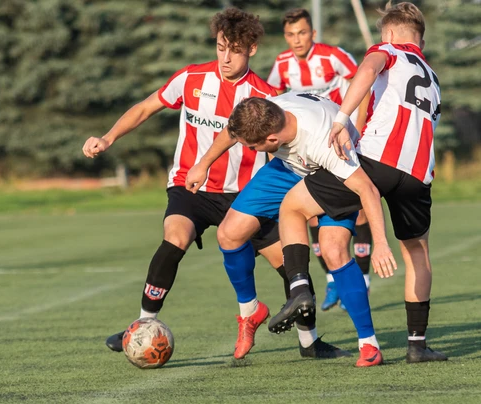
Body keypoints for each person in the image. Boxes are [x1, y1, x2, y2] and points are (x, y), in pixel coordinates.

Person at [82, 8, 284, 359]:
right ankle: (143, 323)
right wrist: (108, 137)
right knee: (175, 238)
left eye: (234, 50)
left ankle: (311, 340)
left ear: (251, 49)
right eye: (221, 47)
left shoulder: (265, 95)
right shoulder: (191, 79)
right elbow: (145, 108)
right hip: (189, 188)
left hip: (243, 194)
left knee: (287, 261)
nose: (225, 57)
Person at [272, 1, 448, 364]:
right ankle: (417, 344)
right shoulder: (432, 76)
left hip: (376, 160)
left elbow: (367, 70)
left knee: (293, 206)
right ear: (420, 39)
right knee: (417, 253)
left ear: (389, 33)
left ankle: (301, 288)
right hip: (418, 175)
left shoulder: (386, 49)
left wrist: (341, 119)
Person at [189, 92, 394, 367]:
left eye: (253, 147)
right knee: (229, 233)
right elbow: (233, 130)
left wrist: (380, 242)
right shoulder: (267, 110)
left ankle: (368, 344)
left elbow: (367, 189)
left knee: (333, 251)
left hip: (334, 177)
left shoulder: (327, 143)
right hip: (289, 168)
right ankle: (251, 311)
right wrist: (203, 164)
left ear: (272, 140)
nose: (250, 150)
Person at [267, 8, 373, 311]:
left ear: (312, 33)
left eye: (302, 33)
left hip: (341, 140)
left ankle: (362, 280)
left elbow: (362, 88)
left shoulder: (332, 56)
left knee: (361, 209)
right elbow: (273, 101)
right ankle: (330, 281)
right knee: (311, 213)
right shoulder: (282, 64)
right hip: (309, 146)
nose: (296, 39)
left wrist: (359, 126)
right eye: (290, 34)